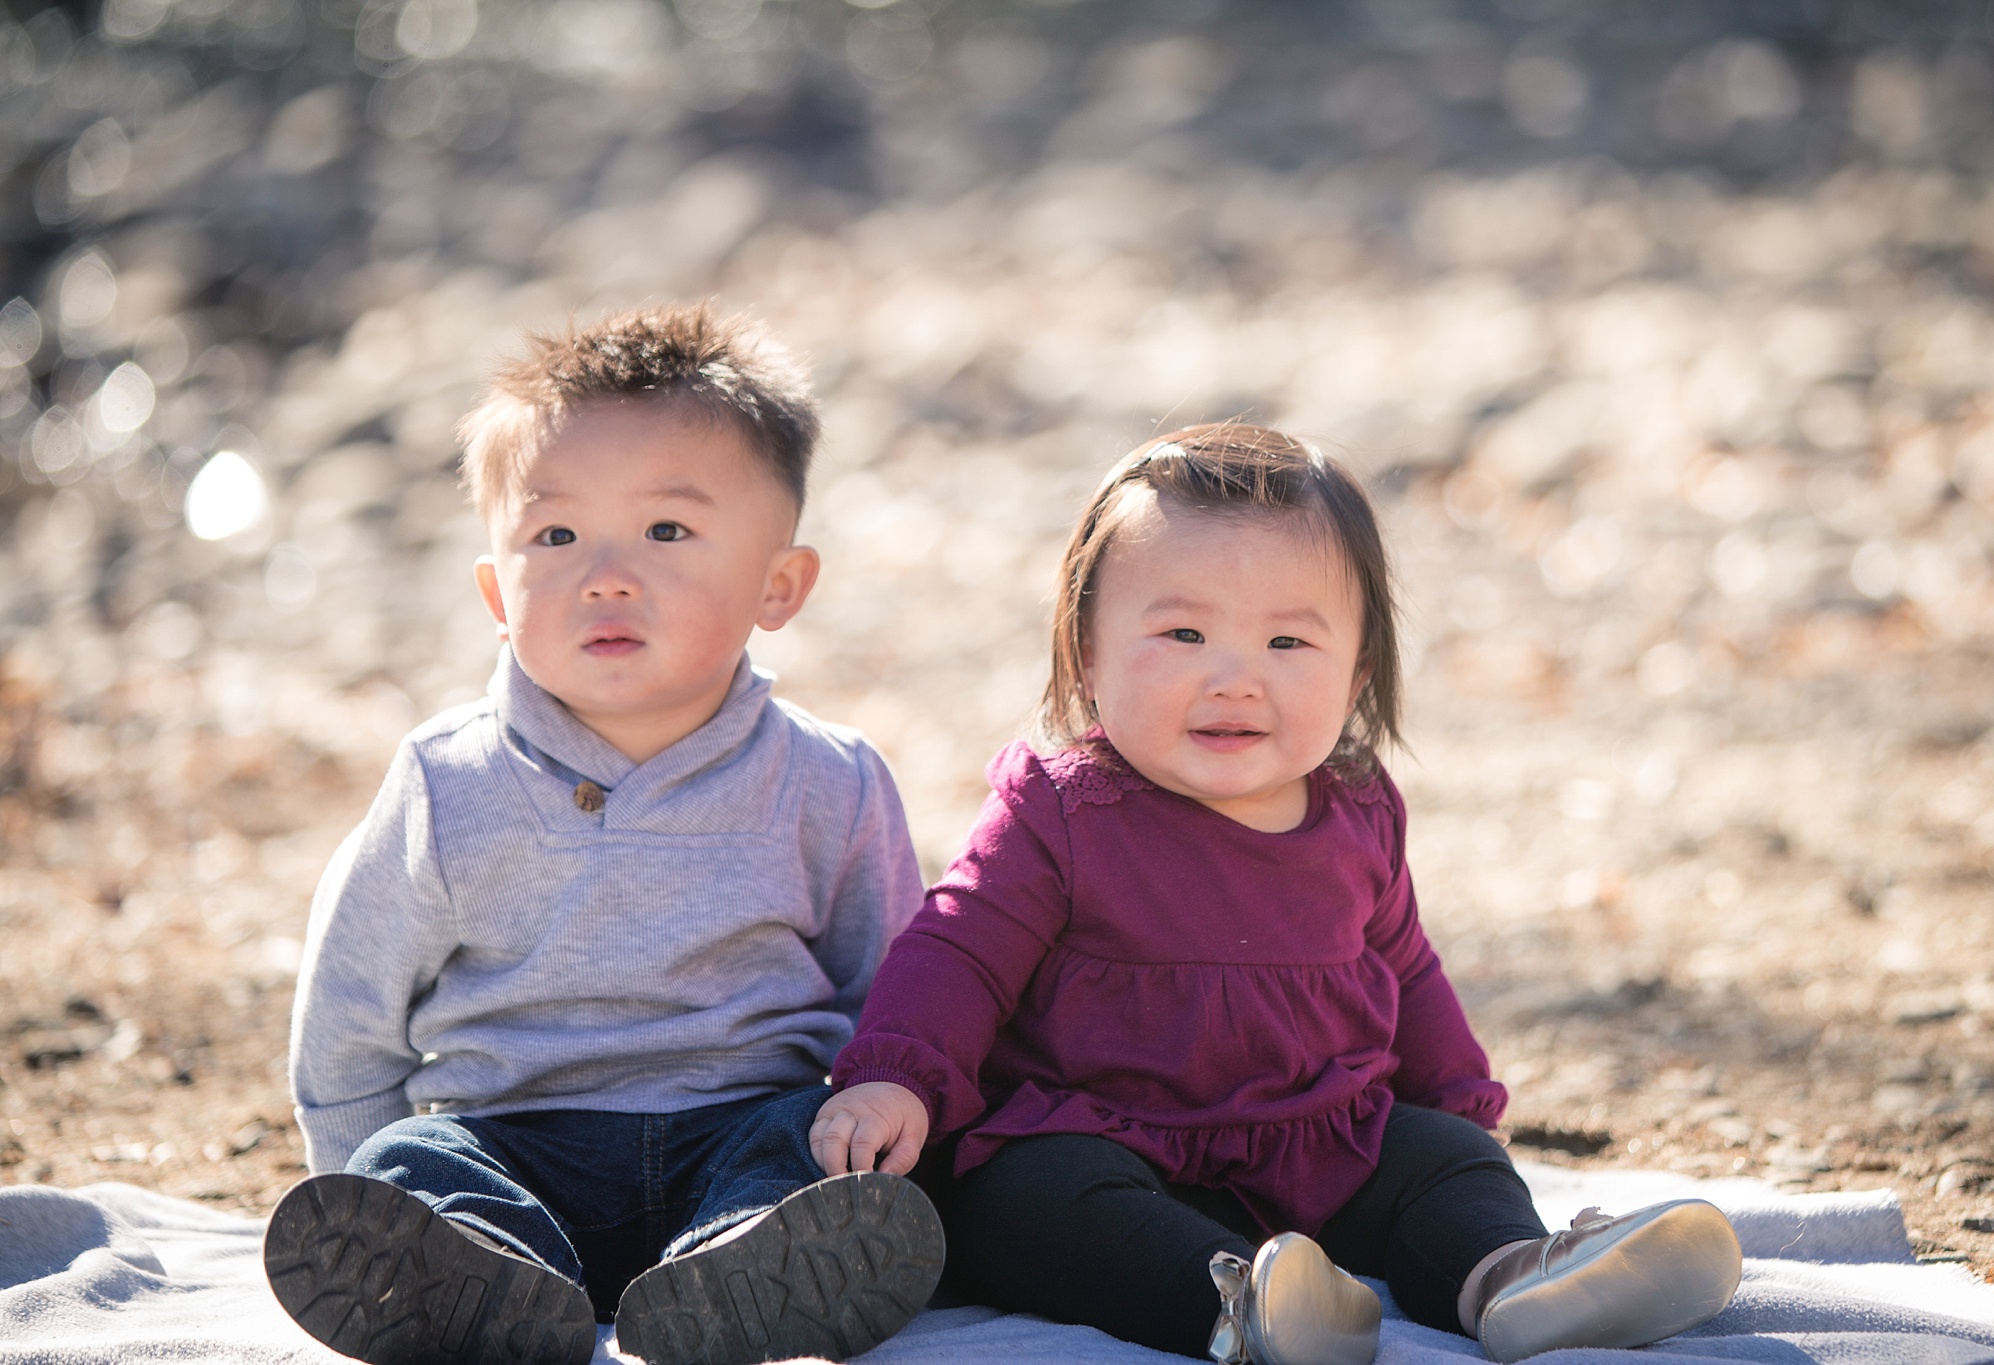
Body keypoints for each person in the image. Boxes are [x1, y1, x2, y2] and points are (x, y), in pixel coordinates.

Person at [808, 423, 1743, 1365]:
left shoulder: (1359, 810)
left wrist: (1458, 1102)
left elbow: (1405, 965)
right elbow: (960, 944)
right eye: (1183, 633)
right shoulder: (1062, 808)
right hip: (1108, 1138)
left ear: (1357, 674)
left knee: (1447, 1162)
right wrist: (899, 1070)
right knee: (1026, 1205)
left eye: (1288, 640)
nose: (1236, 677)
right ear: (1086, 653)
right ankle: (1243, 1306)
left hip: (1320, 1143)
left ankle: (1513, 1276)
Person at [266, 304, 943, 1365]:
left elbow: (891, 992)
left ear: (779, 586)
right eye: (555, 534)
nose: (606, 573)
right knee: (415, 1155)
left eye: (666, 531)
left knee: (800, 1150)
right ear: (497, 592)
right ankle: (470, 1273)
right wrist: (352, 1173)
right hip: (510, 1139)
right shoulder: (449, 783)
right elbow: (354, 1004)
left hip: (738, 1124)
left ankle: (744, 1274)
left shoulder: (828, 782)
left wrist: (877, 1100)